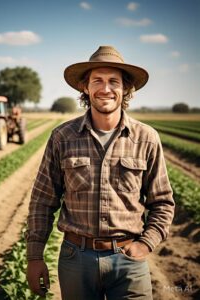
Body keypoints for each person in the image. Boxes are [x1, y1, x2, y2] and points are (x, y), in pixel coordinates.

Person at [25, 45, 175, 299]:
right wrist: (34, 256)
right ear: (86, 87)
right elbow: (42, 201)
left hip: (129, 261)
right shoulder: (63, 137)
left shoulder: (146, 138)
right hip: (76, 259)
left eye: (113, 81)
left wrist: (146, 242)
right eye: (98, 81)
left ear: (126, 88)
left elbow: (162, 202)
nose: (105, 89)